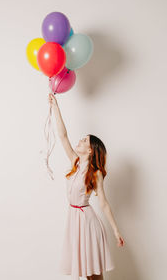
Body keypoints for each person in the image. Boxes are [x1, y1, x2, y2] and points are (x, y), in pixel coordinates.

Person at [48, 93, 125, 280]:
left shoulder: (96, 173)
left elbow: (104, 204)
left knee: (94, 276)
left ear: (90, 150)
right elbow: (63, 136)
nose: (80, 141)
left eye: (84, 141)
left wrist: (116, 230)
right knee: (85, 273)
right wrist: (55, 107)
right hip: (74, 222)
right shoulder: (75, 162)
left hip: (88, 224)